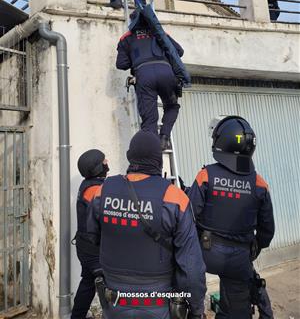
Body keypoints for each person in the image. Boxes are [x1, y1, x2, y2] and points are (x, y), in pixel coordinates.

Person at [87, 130, 207, 319]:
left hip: (113, 303)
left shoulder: (103, 191)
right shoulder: (175, 198)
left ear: (129, 157)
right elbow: (191, 267)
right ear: (159, 161)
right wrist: (196, 309)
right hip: (158, 304)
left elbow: (92, 238)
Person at [187, 116, 275, 319]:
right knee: (236, 311)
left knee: (188, 295)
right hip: (240, 258)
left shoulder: (206, 175)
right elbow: (267, 231)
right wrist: (252, 248)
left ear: (221, 141)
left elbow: (189, 216)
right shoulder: (260, 183)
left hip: (205, 253)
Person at [116, 11, 184, 150]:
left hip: (144, 76)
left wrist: (135, 59)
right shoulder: (160, 33)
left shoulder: (126, 38)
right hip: (166, 73)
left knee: (149, 119)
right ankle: (164, 137)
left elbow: (121, 64)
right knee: (171, 106)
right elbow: (179, 51)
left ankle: (153, 149)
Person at [71, 149, 110, 319]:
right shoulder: (95, 190)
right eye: (103, 161)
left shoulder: (89, 185)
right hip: (93, 249)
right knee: (108, 286)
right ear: (96, 168)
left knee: (88, 283)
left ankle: (77, 316)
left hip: (86, 246)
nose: (106, 162)